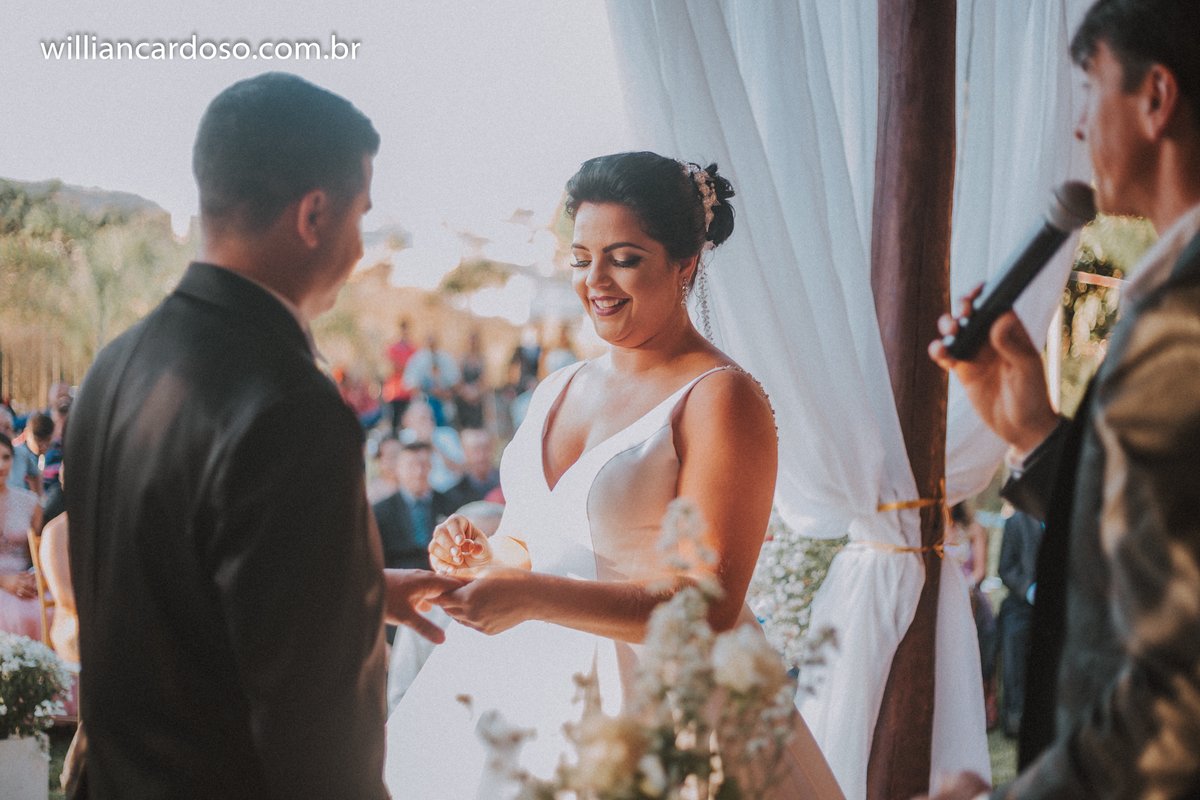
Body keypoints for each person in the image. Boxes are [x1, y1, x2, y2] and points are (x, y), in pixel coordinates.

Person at [384, 152, 844, 800]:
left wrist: (532, 596)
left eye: (623, 258)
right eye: (581, 259)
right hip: (522, 687)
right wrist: (487, 555)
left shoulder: (720, 398)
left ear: (686, 263)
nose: (595, 280)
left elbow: (709, 607)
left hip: (657, 712)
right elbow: (535, 543)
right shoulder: (557, 387)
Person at [63, 73, 461, 800]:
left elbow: (163, 589)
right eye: (360, 218)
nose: (360, 248)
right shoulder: (290, 405)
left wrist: (353, 591)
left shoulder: (116, 364)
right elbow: (316, 732)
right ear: (314, 214)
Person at [925, 2, 1200, 798]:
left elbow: (1179, 684)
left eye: (1089, 89)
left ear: (1156, 98)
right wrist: (1037, 437)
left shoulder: (1181, 319)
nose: (1078, 126)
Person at [386, 499, 506, 711]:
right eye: (470, 548)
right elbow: (400, 696)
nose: (483, 561)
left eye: (496, 548)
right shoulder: (425, 608)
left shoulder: (529, 610)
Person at [371, 441, 458, 572]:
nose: (418, 472)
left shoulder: (452, 505)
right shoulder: (380, 512)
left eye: (423, 464)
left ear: (431, 466)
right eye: (411, 466)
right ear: (397, 469)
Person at [995, 510, 1042, 739]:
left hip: (1065, 601)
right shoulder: (1016, 522)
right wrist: (1029, 590)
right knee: (1014, 634)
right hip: (1023, 602)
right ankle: (1016, 716)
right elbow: (1005, 568)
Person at [0, 432, 44, 640]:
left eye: (6, 457)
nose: (1, 465)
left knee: (46, 612)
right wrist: (3, 581)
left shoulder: (29, 502)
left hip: (22, 584)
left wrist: (34, 575)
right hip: (5, 585)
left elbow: (38, 556)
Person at [399, 398, 465, 493]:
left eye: (430, 418)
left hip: (450, 490)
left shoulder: (447, 434)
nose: (428, 422)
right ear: (408, 420)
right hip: (418, 492)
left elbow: (460, 469)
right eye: (422, 418)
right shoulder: (402, 439)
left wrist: (433, 444)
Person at [443, 427, 500, 509]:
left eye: (485, 448)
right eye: (475, 450)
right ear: (465, 452)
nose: (481, 456)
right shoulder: (454, 495)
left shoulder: (506, 481)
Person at [455, 329, 488, 430]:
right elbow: (459, 379)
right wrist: (466, 392)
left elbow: (483, 380)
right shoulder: (462, 358)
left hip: (477, 395)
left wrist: (476, 392)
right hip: (464, 394)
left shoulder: (481, 359)